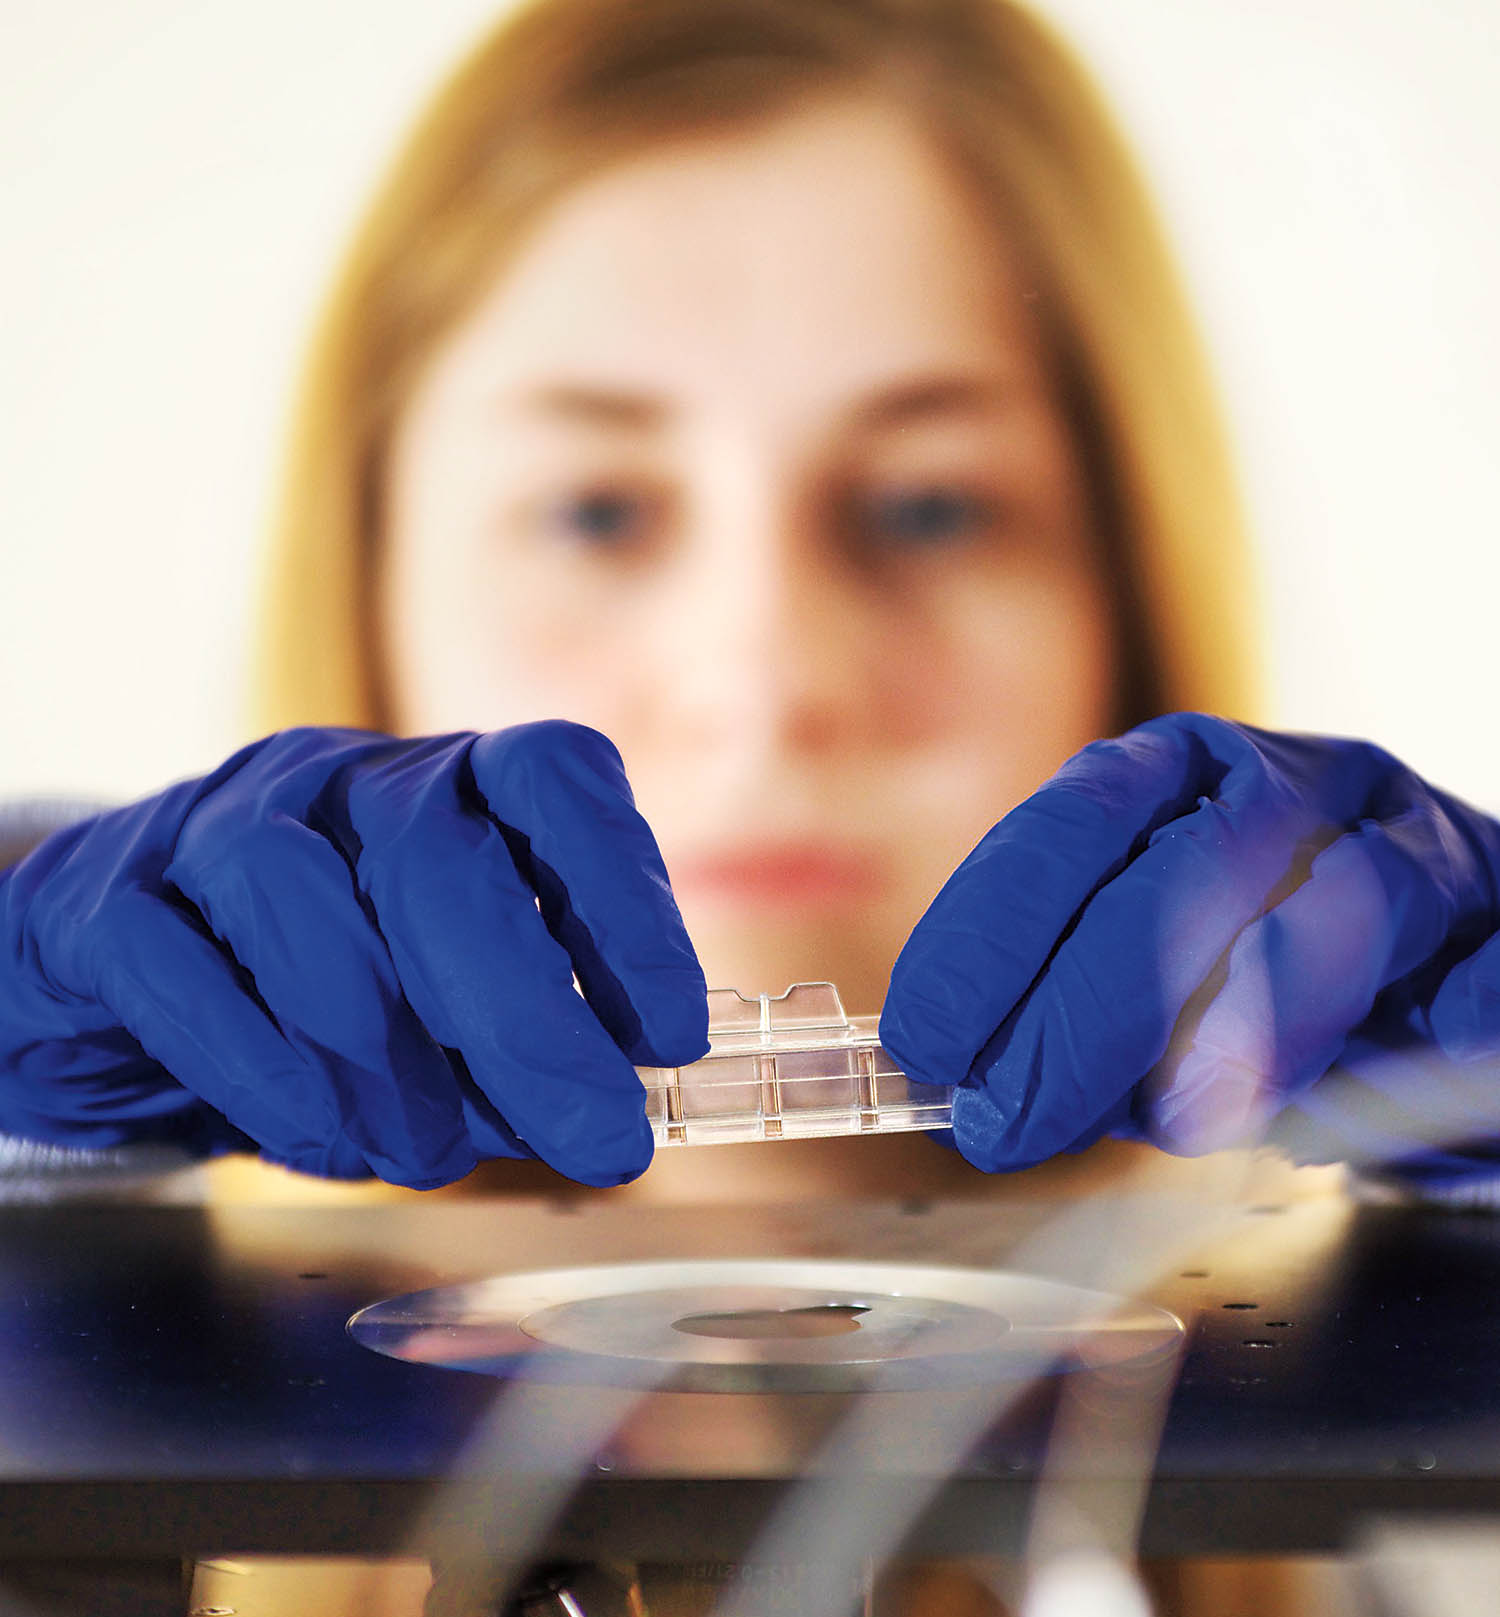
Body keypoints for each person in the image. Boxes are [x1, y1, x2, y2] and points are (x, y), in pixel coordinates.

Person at [3, 0, 1500, 1212]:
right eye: (598, 510)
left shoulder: (1429, 1576)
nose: (763, 675)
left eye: (929, 506)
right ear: (368, 580)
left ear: (1128, 596)